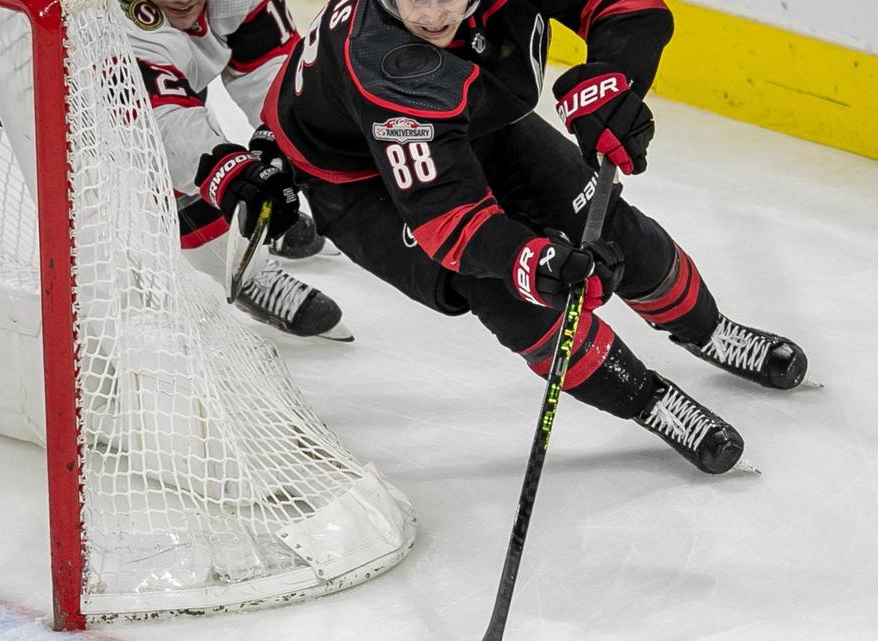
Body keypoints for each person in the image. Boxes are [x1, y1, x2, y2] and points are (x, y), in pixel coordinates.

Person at [260, 0, 809, 473]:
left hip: (471, 120)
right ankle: (649, 400)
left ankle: (709, 332)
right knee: (502, 290)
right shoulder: (387, 61)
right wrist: (531, 260)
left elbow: (628, 8)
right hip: (360, 181)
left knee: (606, 219)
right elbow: (449, 221)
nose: (430, 16)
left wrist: (613, 80)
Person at [0, 0, 352, 341]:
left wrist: (283, 144)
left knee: (181, 79)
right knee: (147, 152)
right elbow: (162, 129)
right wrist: (234, 180)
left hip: (133, 41)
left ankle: (251, 220)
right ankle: (250, 270)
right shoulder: (106, 22)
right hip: (1, 44)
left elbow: (272, 66)